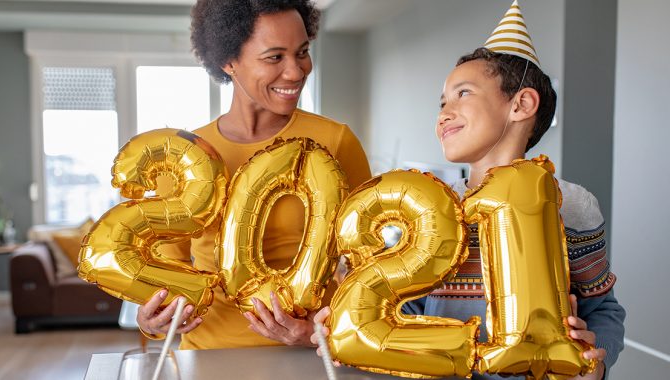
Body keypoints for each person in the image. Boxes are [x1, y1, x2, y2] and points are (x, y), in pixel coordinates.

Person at [311, 2, 625, 379]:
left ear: (521, 104)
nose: (443, 112)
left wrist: (597, 361)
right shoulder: (434, 207)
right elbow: (412, 310)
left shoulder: (572, 206)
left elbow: (603, 310)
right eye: (441, 102)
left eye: (462, 94)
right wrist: (356, 327)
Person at [135, 0, 371, 350]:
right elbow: (168, 274)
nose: (296, 71)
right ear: (228, 61)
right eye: (274, 57)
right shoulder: (185, 157)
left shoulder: (335, 142)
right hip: (209, 360)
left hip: (312, 359)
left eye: (302, 52)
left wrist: (320, 334)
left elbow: (369, 273)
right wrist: (152, 321)